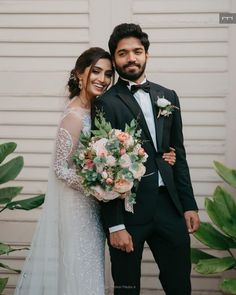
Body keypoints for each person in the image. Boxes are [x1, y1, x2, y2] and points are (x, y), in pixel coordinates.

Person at [14, 47, 176, 295]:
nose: (103, 79)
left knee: (93, 268)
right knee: (81, 268)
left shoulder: (100, 108)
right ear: (80, 74)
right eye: (96, 71)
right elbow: (60, 168)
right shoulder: (74, 115)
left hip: (96, 205)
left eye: (108, 74)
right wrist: (101, 187)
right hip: (78, 207)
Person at [92, 24, 200, 295]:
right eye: (123, 53)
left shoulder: (168, 96)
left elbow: (179, 153)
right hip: (129, 209)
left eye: (137, 51)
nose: (131, 58)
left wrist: (188, 205)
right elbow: (104, 167)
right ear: (114, 59)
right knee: (127, 288)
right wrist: (115, 225)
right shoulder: (107, 102)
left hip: (170, 207)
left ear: (146, 55)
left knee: (179, 285)